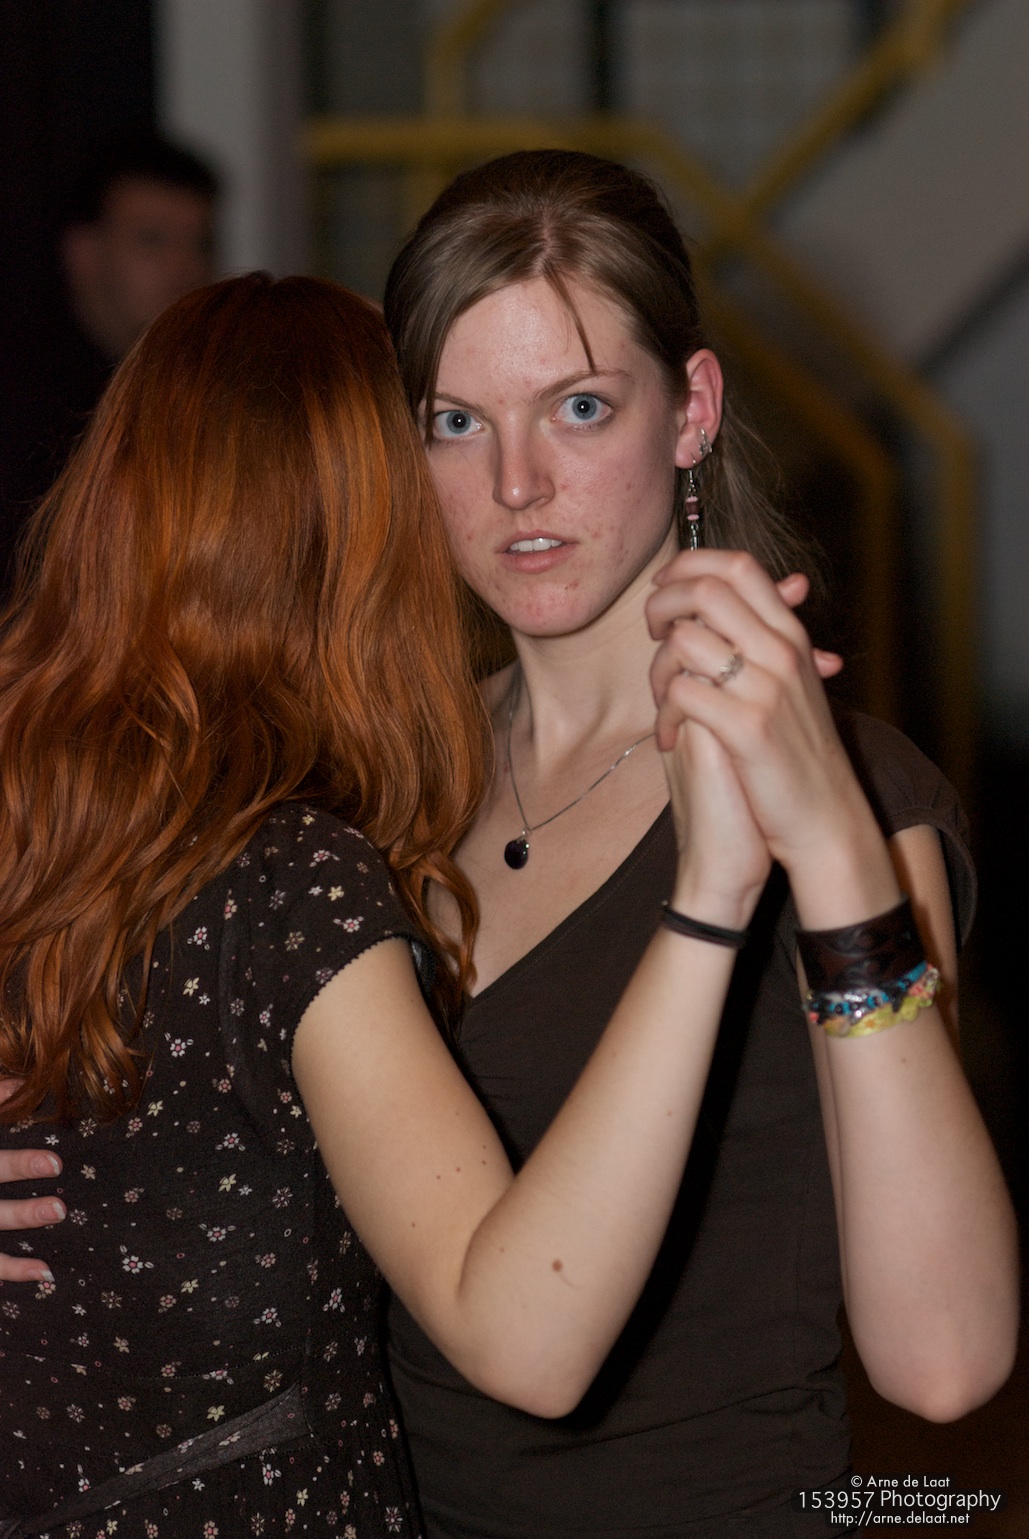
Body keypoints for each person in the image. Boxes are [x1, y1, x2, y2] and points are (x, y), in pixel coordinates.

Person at [0, 272, 854, 1537]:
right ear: (371, 538)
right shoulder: (290, 885)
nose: (503, 490)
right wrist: (712, 894)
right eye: (446, 436)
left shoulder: (37, 808)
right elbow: (527, 1337)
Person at [373, 150, 1018, 1537]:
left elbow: (944, 1360)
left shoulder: (857, 796)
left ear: (693, 410)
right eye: (457, 423)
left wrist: (830, 850)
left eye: (580, 407)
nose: (519, 483)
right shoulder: (387, 777)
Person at [0, 133, 218, 594]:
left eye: (200, 244)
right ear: (84, 252)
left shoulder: (197, 391)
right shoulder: (24, 400)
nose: (185, 266)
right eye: (152, 240)